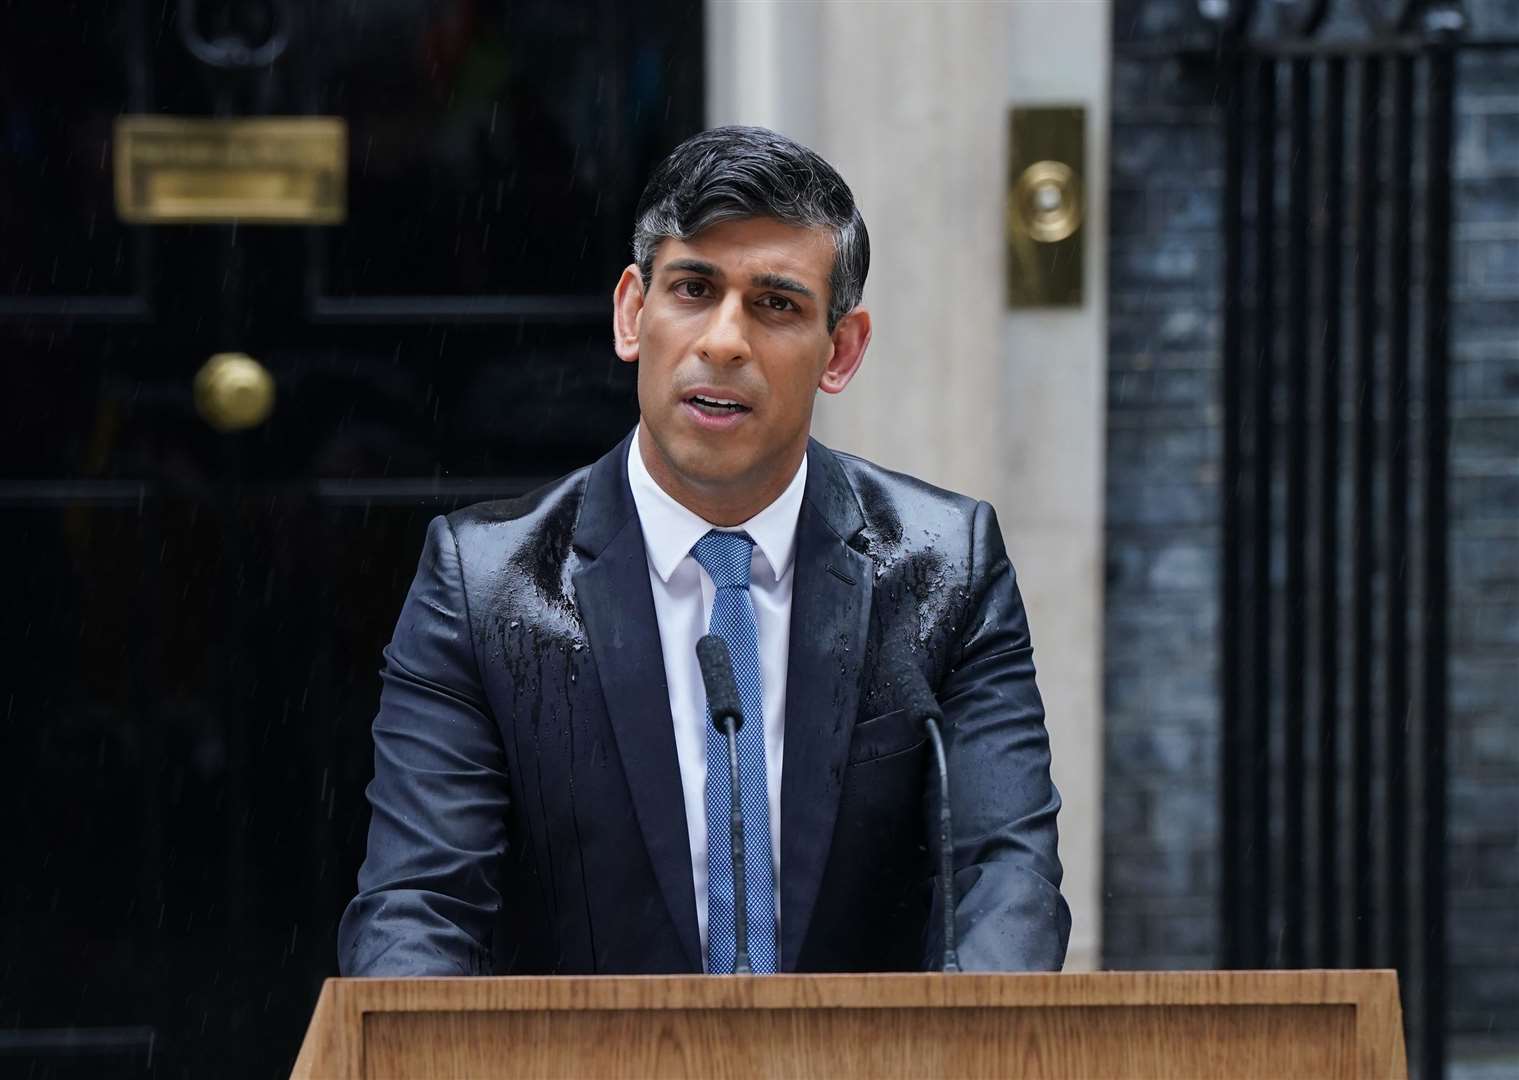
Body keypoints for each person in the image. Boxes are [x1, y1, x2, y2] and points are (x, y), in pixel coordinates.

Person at [337, 125, 1070, 976]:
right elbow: (419, 908)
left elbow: (1002, 880)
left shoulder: (947, 564)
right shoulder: (484, 584)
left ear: (841, 351)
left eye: (776, 304)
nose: (723, 341)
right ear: (630, 313)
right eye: (692, 288)